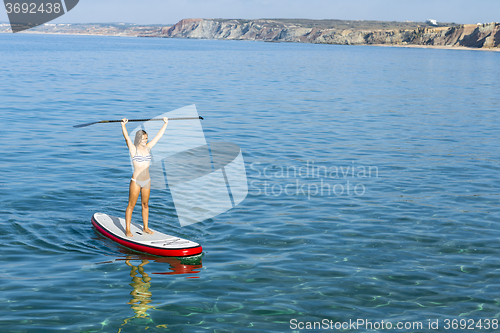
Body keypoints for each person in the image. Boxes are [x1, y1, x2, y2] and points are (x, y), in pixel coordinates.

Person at [121, 117, 168, 237]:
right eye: (143, 139)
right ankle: (127, 229)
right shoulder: (133, 149)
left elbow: (158, 136)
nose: (145, 140)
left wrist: (165, 123)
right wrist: (123, 125)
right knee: (131, 205)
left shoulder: (148, 147)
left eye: (146, 139)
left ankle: (145, 228)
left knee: (145, 205)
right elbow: (126, 138)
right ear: (138, 139)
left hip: (147, 181)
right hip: (136, 181)